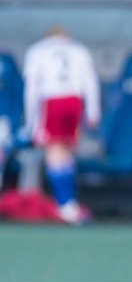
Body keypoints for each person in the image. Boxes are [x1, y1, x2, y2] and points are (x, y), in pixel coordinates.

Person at [22, 26, 101, 225]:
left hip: (52, 101)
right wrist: (92, 111)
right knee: (65, 150)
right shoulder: (79, 49)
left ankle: (65, 204)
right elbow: (90, 82)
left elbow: (32, 87)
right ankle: (69, 203)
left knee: (54, 150)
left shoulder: (37, 50)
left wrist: (31, 122)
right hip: (74, 101)